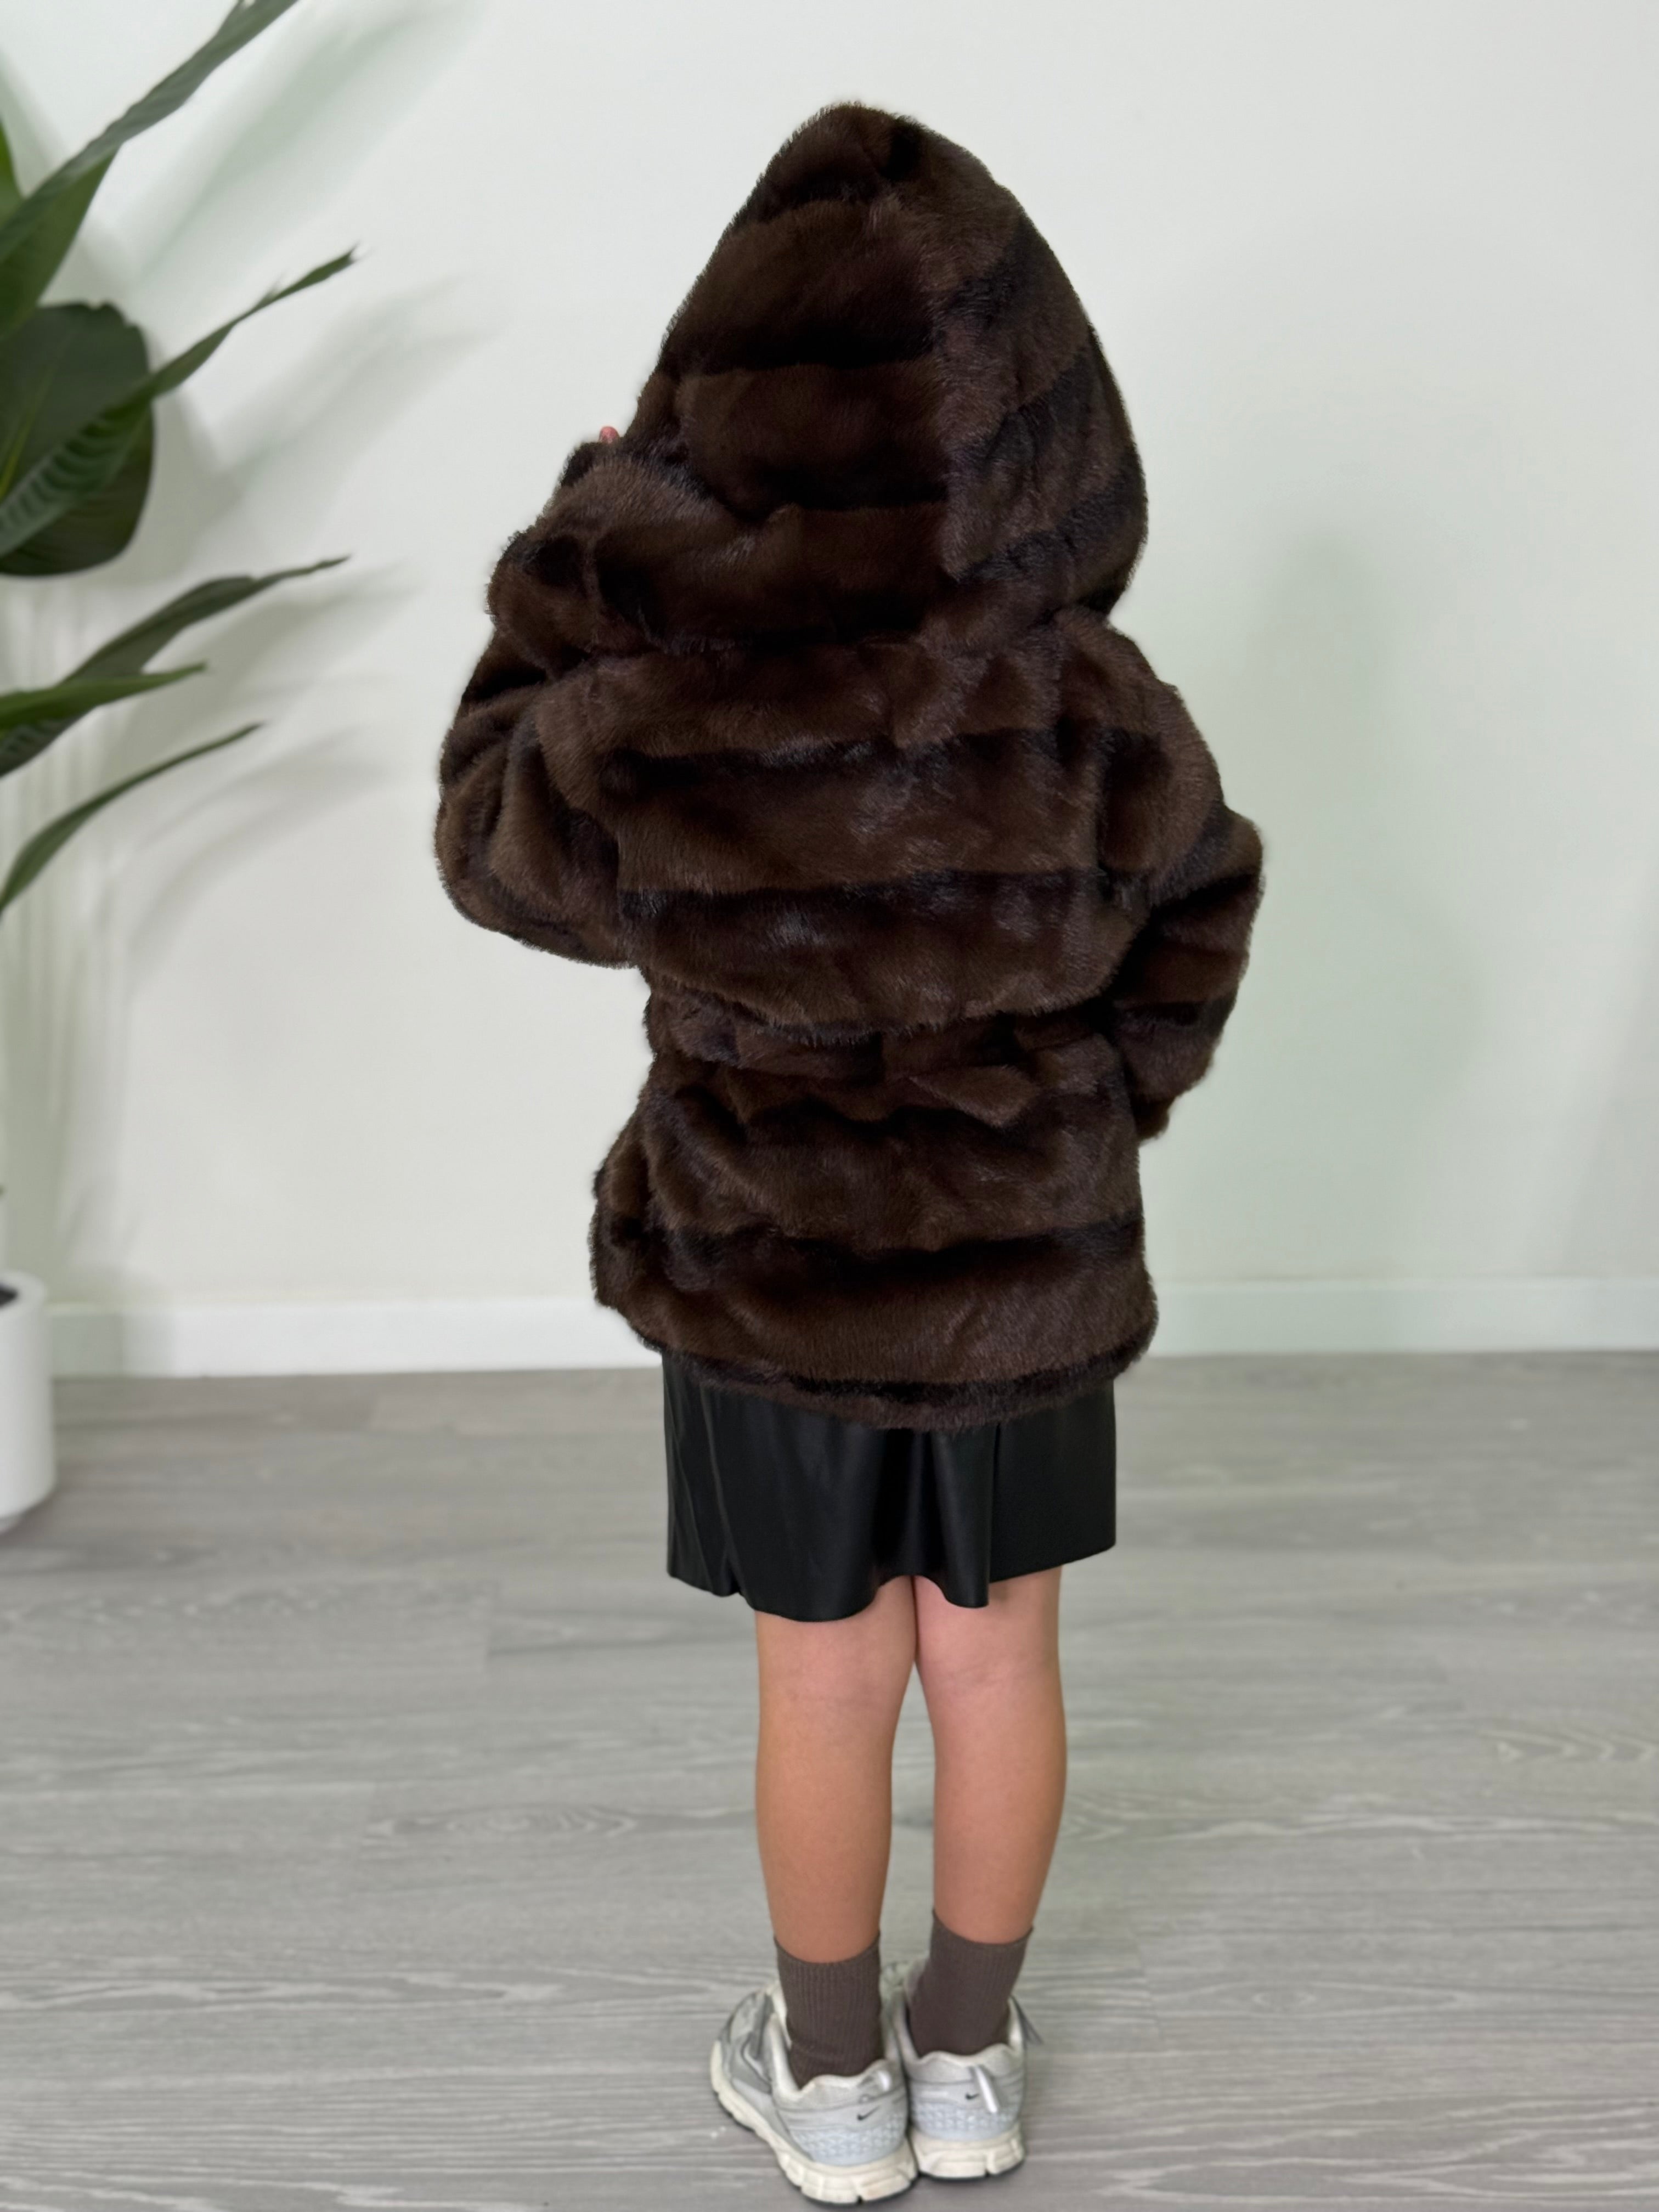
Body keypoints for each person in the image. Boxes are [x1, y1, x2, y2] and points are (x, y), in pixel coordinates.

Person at [435, 101, 1263, 2203]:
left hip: (770, 1264)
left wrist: (588, 554)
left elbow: (488, 843)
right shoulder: (1087, 703)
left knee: (825, 1681)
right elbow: (1201, 909)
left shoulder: (663, 705)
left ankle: (830, 2084)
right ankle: (967, 2060)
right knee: (999, 1659)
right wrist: (1087, 1115)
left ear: (719, 410)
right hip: (1021, 1267)